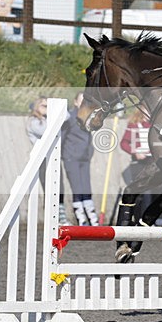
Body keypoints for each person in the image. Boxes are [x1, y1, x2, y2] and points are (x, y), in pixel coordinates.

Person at [27, 96, 68, 224]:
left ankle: (61, 218)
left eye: (48, 106)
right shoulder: (33, 122)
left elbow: (67, 116)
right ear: (36, 107)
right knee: (49, 190)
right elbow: (47, 131)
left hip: (54, 158)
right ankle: (51, 219)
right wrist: (55, 117)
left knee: (59, 189)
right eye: (44, 106)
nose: (47, 109)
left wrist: (57, 110)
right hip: (43, 160)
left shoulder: (47, 120)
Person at [62, 92, 99, 226]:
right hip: (71, 157)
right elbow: (63, 136)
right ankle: (81, 218)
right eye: (81, 101)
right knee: (77, 188)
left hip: (84, 158)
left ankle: (92, 218)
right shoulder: (70, 117)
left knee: (86, 187)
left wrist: (89, 153)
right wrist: (64, 155)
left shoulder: (87, 117)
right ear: (76, 102)